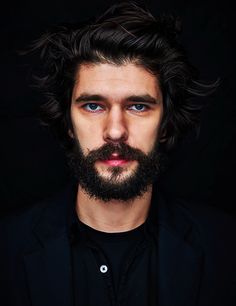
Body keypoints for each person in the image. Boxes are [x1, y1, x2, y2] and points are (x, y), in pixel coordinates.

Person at [0, 2, 235, 306]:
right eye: (93, 106)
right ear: (68, 123)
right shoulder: (6, 247)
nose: (114, 131)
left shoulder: (227, 246)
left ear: (165, 122)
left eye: (138, 106)